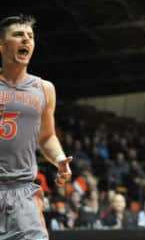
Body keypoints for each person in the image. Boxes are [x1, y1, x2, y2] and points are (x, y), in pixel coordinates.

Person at [0, 14, 73, 240]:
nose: (26, 40)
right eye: (18, 35)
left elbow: (47, 136)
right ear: (1, 45)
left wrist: (59, 159)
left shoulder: (44, 88)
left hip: (22, 192)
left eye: (30, 36)